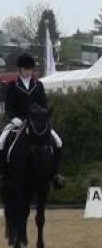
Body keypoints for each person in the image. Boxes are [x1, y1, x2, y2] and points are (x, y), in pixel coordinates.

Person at [0, 53, 64, 189]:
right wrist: (13, 118)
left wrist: (43, 117)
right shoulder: (12, 85)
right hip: (18, 121)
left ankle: (55, 175)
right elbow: (9, 106)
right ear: (20, 70)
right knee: (1, 141)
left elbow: (44, 105)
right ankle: (3, 174)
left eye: (30, 69)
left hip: (37, 122)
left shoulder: (38, 85)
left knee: (58, 142)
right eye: (25, 69)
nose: (28, 71)